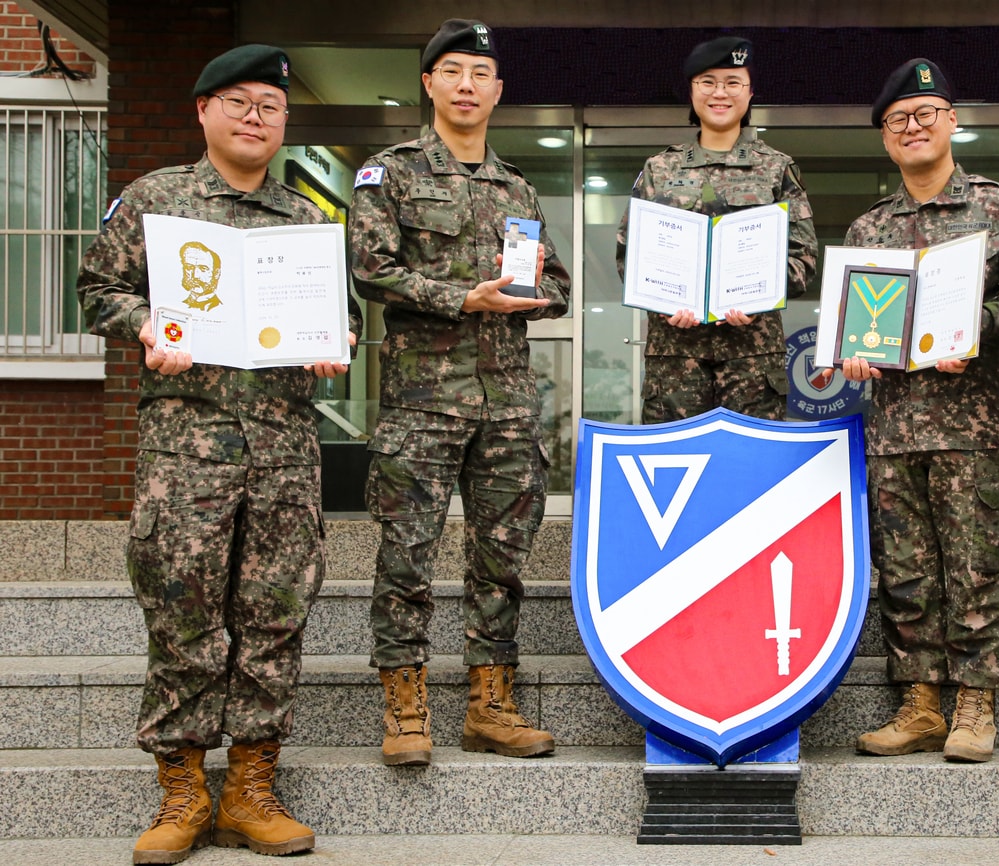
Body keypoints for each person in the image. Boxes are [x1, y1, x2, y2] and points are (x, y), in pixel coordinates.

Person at [76, 44, 361, 864]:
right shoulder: (155, 200)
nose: (254, 119)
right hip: (186, 446)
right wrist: (146, 329)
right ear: (202, 110)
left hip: (283, 447)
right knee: (182, 610)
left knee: (274, 615)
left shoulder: (308, 220)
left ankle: (251, 788)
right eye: (237, 102)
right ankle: (182, 792)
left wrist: (332, 341)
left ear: (283, 124)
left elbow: (331, 317)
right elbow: (100, 290)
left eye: (270, 107)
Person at [350, 19, 570, 766]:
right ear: (429, 84)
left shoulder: (516, 185)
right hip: (424, 403)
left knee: (501, 557)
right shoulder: (391, 172)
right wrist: (460, 298)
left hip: (507, 405)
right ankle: (406, 709)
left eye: (480, 73)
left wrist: (534, 297)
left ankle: (491, 702)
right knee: (406, 556)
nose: (467, 85)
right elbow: (369, 270)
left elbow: (557, 283)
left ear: (498, 91)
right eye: (453, 71)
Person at [840, 59, 999, 764]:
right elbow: (857, 327)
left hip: (970, 426)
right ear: (886, 138)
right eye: (898, 121)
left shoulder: (998, 208)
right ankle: (918, 702)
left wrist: (974, 325)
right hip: (892, 430)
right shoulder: (870, 226)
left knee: (976, 565)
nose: (913, 128)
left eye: (926, 114)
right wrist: (852, 354)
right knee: (907, 570)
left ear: (951, 122)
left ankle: (975, 702)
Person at [616, 36, 817, 422]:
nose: (719, 93)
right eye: (707, 82)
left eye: (732, 82)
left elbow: (803, 257)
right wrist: (663, 301)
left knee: (751, 472)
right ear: (691, 91)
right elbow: (630, 255)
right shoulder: (659, 169)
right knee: (675, 469)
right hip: (675, 355)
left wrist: (761, 295)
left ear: (750, 92)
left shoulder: (777, 168)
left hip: (753, 356)